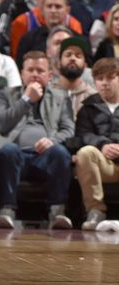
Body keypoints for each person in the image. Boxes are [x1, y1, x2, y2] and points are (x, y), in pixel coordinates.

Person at [0, 51, 75, 229]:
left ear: (49, 75)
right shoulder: (4, 95)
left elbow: (69, 130)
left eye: (40, 70)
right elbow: (0, 125)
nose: (35, 74)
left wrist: (52, 140)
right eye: (30, 70)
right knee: (8, 150)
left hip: (45, 157)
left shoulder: (61, 97)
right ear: (22, 73)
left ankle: (57, 211)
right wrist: (26, 100)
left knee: (60, 152)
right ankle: (7, 210)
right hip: (16, 157)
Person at [74, 57, 119, 230]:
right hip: (105, 163)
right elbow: (83, 134)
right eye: (100, 79)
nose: (105, 83)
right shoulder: (88, 107)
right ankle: (95, 210)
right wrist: (103, 145)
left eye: (110, 77)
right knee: (85, 152)